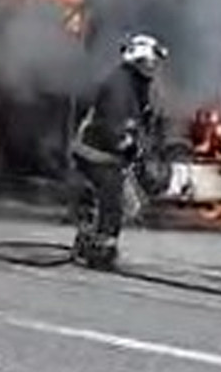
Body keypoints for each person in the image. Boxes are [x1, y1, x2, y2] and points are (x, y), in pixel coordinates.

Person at [70, 33, 168, 270]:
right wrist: (132, 148)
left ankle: (87, 235)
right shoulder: (119, 87)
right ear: (138, 62)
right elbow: (114, 128)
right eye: (149, 63)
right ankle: (101, 250)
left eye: (154, 63)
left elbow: (141, 118)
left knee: (126, 202)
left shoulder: (135, 83)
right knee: (113, 201)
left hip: (106, 152)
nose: (153, 68)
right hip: (95, 152)